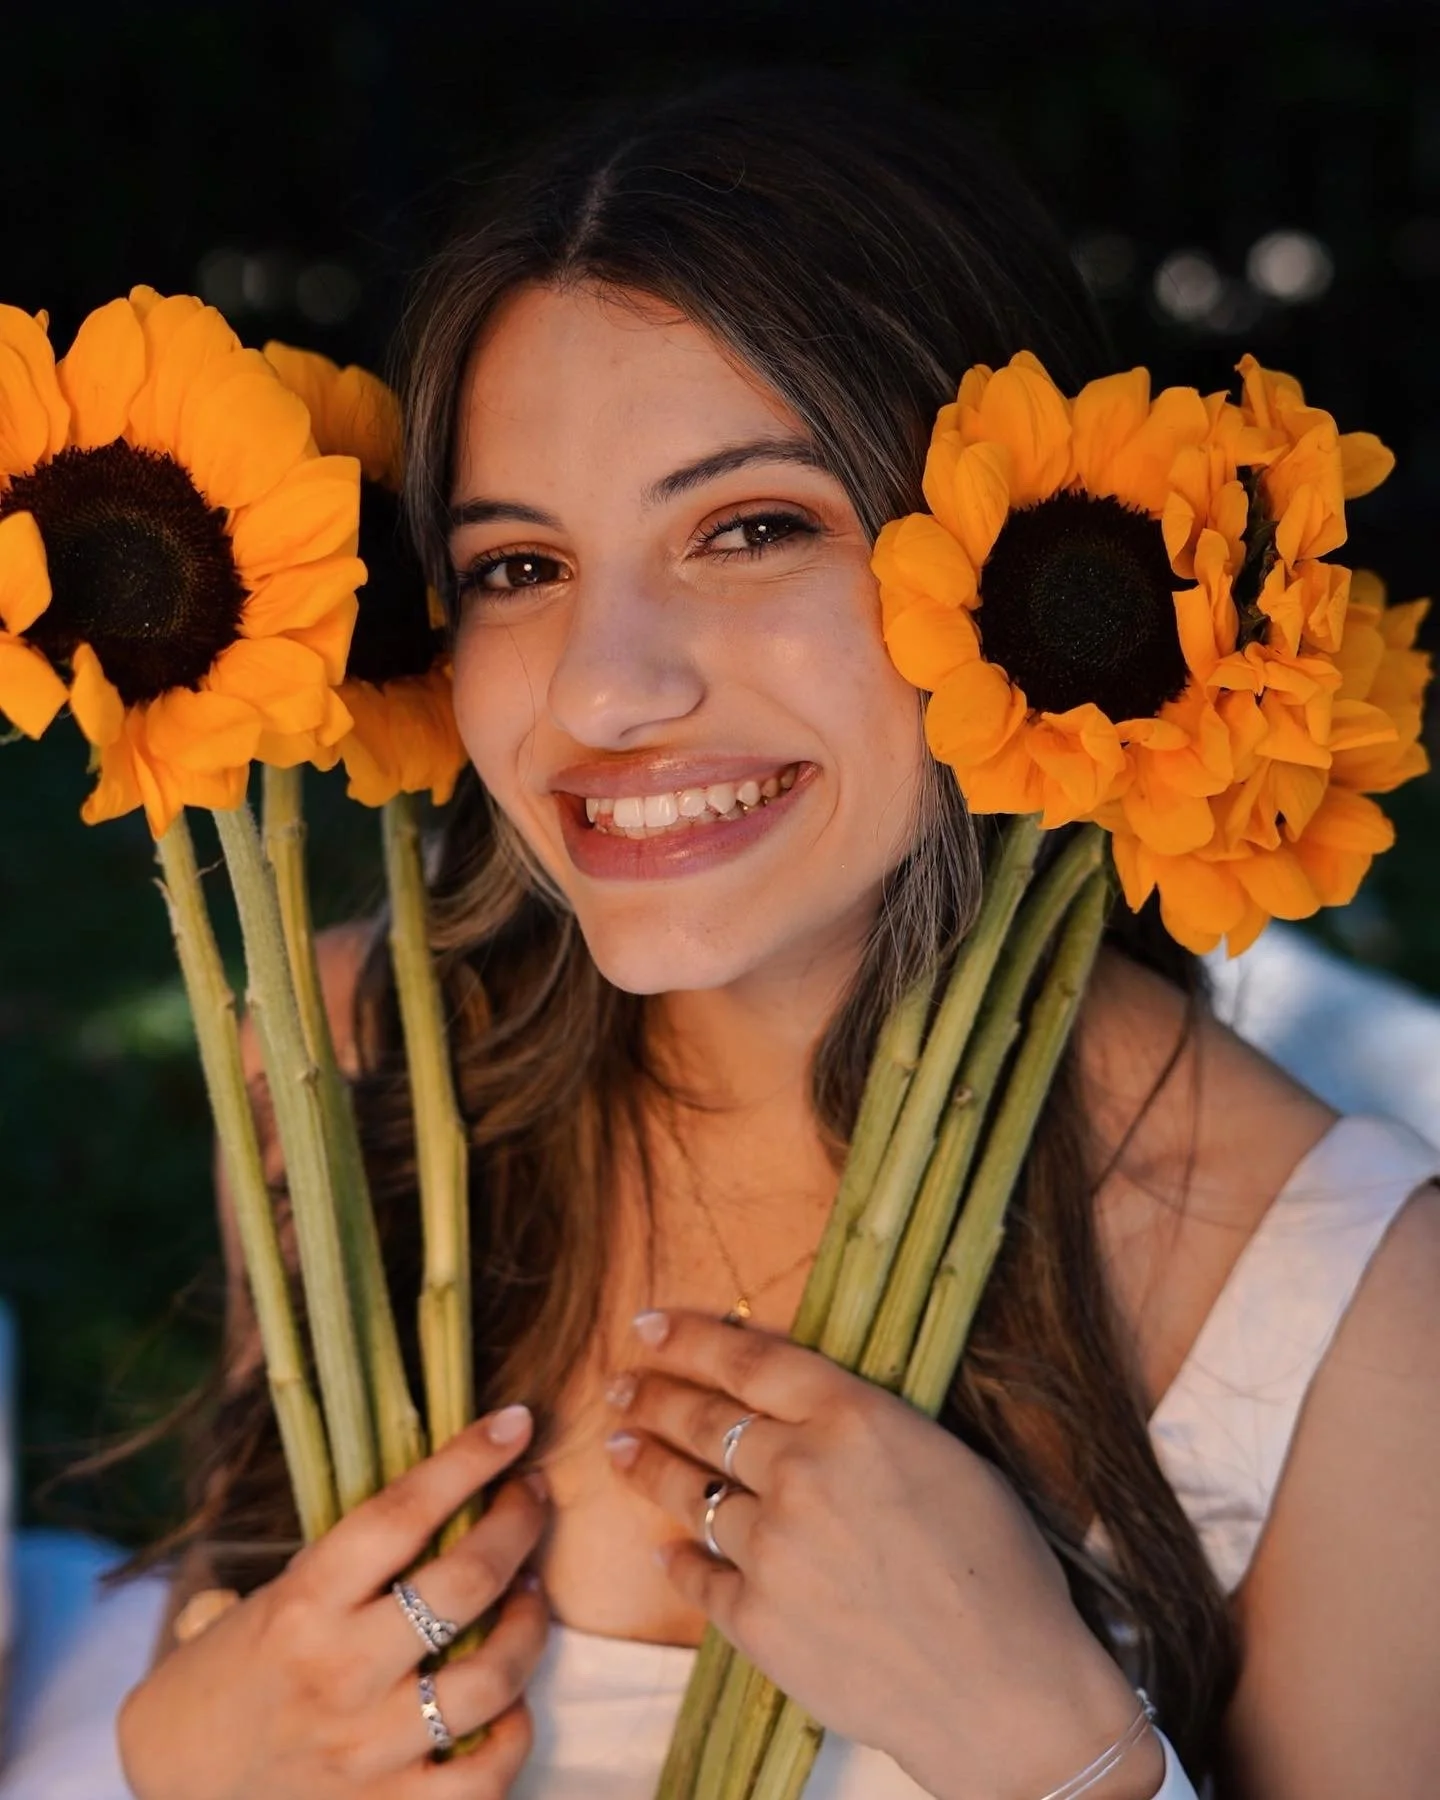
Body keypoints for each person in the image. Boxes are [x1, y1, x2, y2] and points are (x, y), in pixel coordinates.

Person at [113, 73, 1440, 1800]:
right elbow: (253, 1643)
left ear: (1012, 565)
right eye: (517, 563)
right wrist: (186, 1756)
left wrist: (1052, 1744)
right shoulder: (346, 1066)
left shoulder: (1353, 1314)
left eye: (752, 528)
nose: (607, 686)